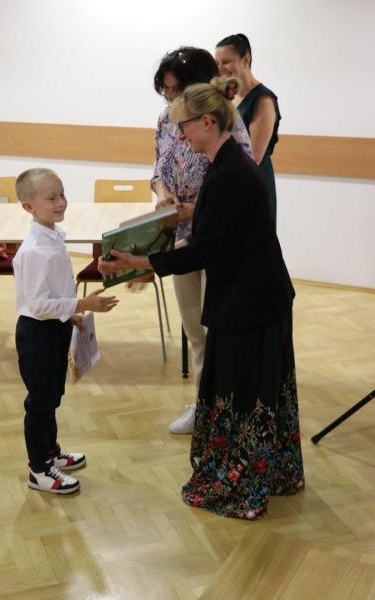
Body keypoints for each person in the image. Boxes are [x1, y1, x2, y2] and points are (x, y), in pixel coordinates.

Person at [98, 77, 304, 520]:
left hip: (250, 301)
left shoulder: (229, 173)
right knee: (250, 389)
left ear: (208, 122)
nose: (180, 135)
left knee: (245, 392)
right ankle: (266, 473)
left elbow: (204, 251)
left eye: (184, 126)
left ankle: (243, 484)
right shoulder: (226, 164)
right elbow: (216, 232)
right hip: (253, 295)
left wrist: (140, 263)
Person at [152, 46, 252, 434]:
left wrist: (193, 209)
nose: (170, 97)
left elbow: (236, 188)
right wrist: (164, 196)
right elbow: (158, 171)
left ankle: (225, 408)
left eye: (176, 89)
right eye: (166, 90)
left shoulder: (228, 123)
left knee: (217, 330)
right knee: (194, 329)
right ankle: (203, 405)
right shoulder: (166, 120)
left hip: (218, 240)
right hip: (181, 237)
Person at [13, 168, 118, 494]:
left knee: (52, 395)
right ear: (28, 206)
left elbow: (53, 292)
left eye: (62, 194)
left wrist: (70, 314)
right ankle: (39, 470)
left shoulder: (53, 236)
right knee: (39, 403)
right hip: (37, 334)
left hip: (54, 327)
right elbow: (36, 305)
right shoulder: (34, 250)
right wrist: (81, 303)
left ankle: (51, 451)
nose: (61, 202)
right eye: (51, 197)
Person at [215, 34, 281, 227]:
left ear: (246, 59)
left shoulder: (263, 100)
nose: (220, 68)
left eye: (226, 62)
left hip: (251, 183)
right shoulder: (227, 96)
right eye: (217, 63)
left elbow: (253, 158)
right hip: (228, 179)